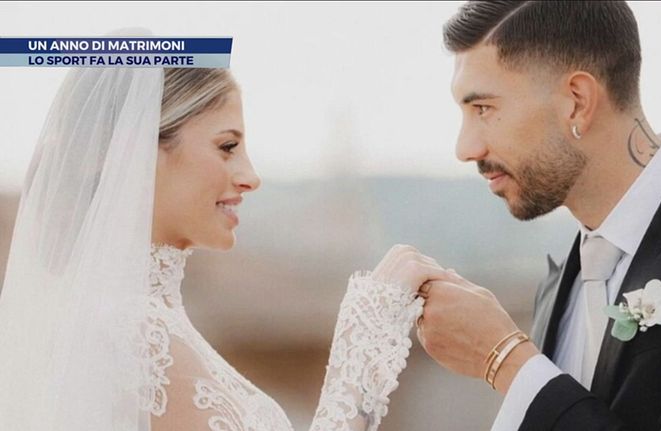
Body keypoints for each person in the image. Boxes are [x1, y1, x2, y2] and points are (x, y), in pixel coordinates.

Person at [0, 64, 448, 430]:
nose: (251, 176)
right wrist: (367, 332)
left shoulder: (141, 317)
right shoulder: (126, 329)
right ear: (136, 151)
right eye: (227, 146)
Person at [398, 1, 661, 430]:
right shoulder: (560, 284)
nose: (466, 148)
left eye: (484, 109)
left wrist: (505, 359)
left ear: (576, 101)